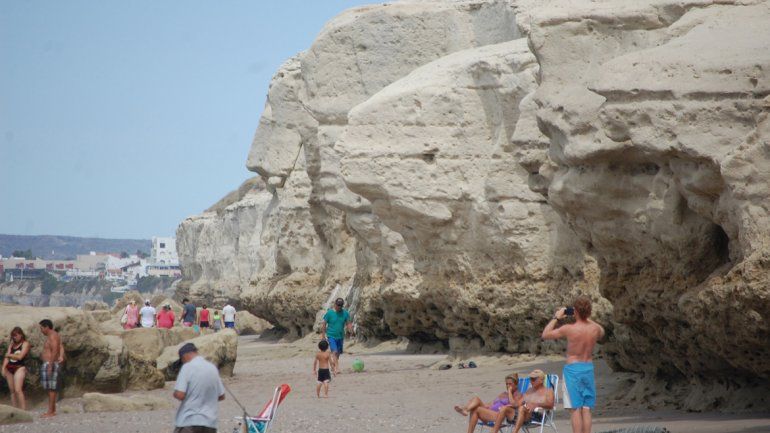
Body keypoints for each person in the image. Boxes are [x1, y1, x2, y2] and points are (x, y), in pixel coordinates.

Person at [541, 296, 605, 433]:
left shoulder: (569, 329)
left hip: (573, 370)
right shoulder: (594, 328)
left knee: (575, 409)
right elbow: (602, 331)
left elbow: (545, 334)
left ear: (574, 311)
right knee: (586, 408)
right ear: (589, 312)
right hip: (588, 368)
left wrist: (556, 317)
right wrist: (586, 317)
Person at [173, 343, 225, 433]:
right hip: (210, 423)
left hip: (189, 420)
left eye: (182, 360)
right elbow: (221, 396)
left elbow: (180, 395)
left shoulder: (187, 367)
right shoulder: (212, 368)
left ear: (184, 356)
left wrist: (175, 393)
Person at [454, 373, 522, 433]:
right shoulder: (503, 394)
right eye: (506, 384)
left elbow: (514, 405)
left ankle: (465, 410)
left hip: (499, 416)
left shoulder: (518, 394)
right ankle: (466, 409)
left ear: (516, 384)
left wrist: (510, 392)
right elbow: (492, 403)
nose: (508, 386)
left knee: (476, 410)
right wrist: (486, 406)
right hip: (490, 411)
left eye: (510, 384)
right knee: (476, 399)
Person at [320, 298, 354, 375]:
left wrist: (351, 330)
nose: (339, 307)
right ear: (335, 304)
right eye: (338, 305)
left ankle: (333, 364)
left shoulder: (345, 313)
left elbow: (348, 323)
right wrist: (323, 336)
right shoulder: (329, 313)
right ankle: (337, 368)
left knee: (338, 353)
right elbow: (324, 324)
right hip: (331, 335)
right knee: (334, 352)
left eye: (341, 305)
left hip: (340, 336)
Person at [2, 327, 30, 410]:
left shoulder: (25, 344)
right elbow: (6, 358)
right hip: (9, 367)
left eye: (16, 335)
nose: (14, 337)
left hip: (19, 367)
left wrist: (9, 355)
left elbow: (20, 357)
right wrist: (3, 367)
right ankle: (15, 409)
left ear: (21, 334)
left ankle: (23, 409)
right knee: (12, 391)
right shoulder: (11, 344)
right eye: (13, 336)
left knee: (18, 389)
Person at [38, 319, 61, 418]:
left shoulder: (52, 335)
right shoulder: (52, 335)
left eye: (41, 328)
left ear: (47, 327)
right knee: (50, 388)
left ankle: (50, 412)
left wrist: (50, 365)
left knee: (51, 389)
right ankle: (53, 410)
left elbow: (55, 350)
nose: (41, 330)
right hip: (48, 363)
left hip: (50, 364)